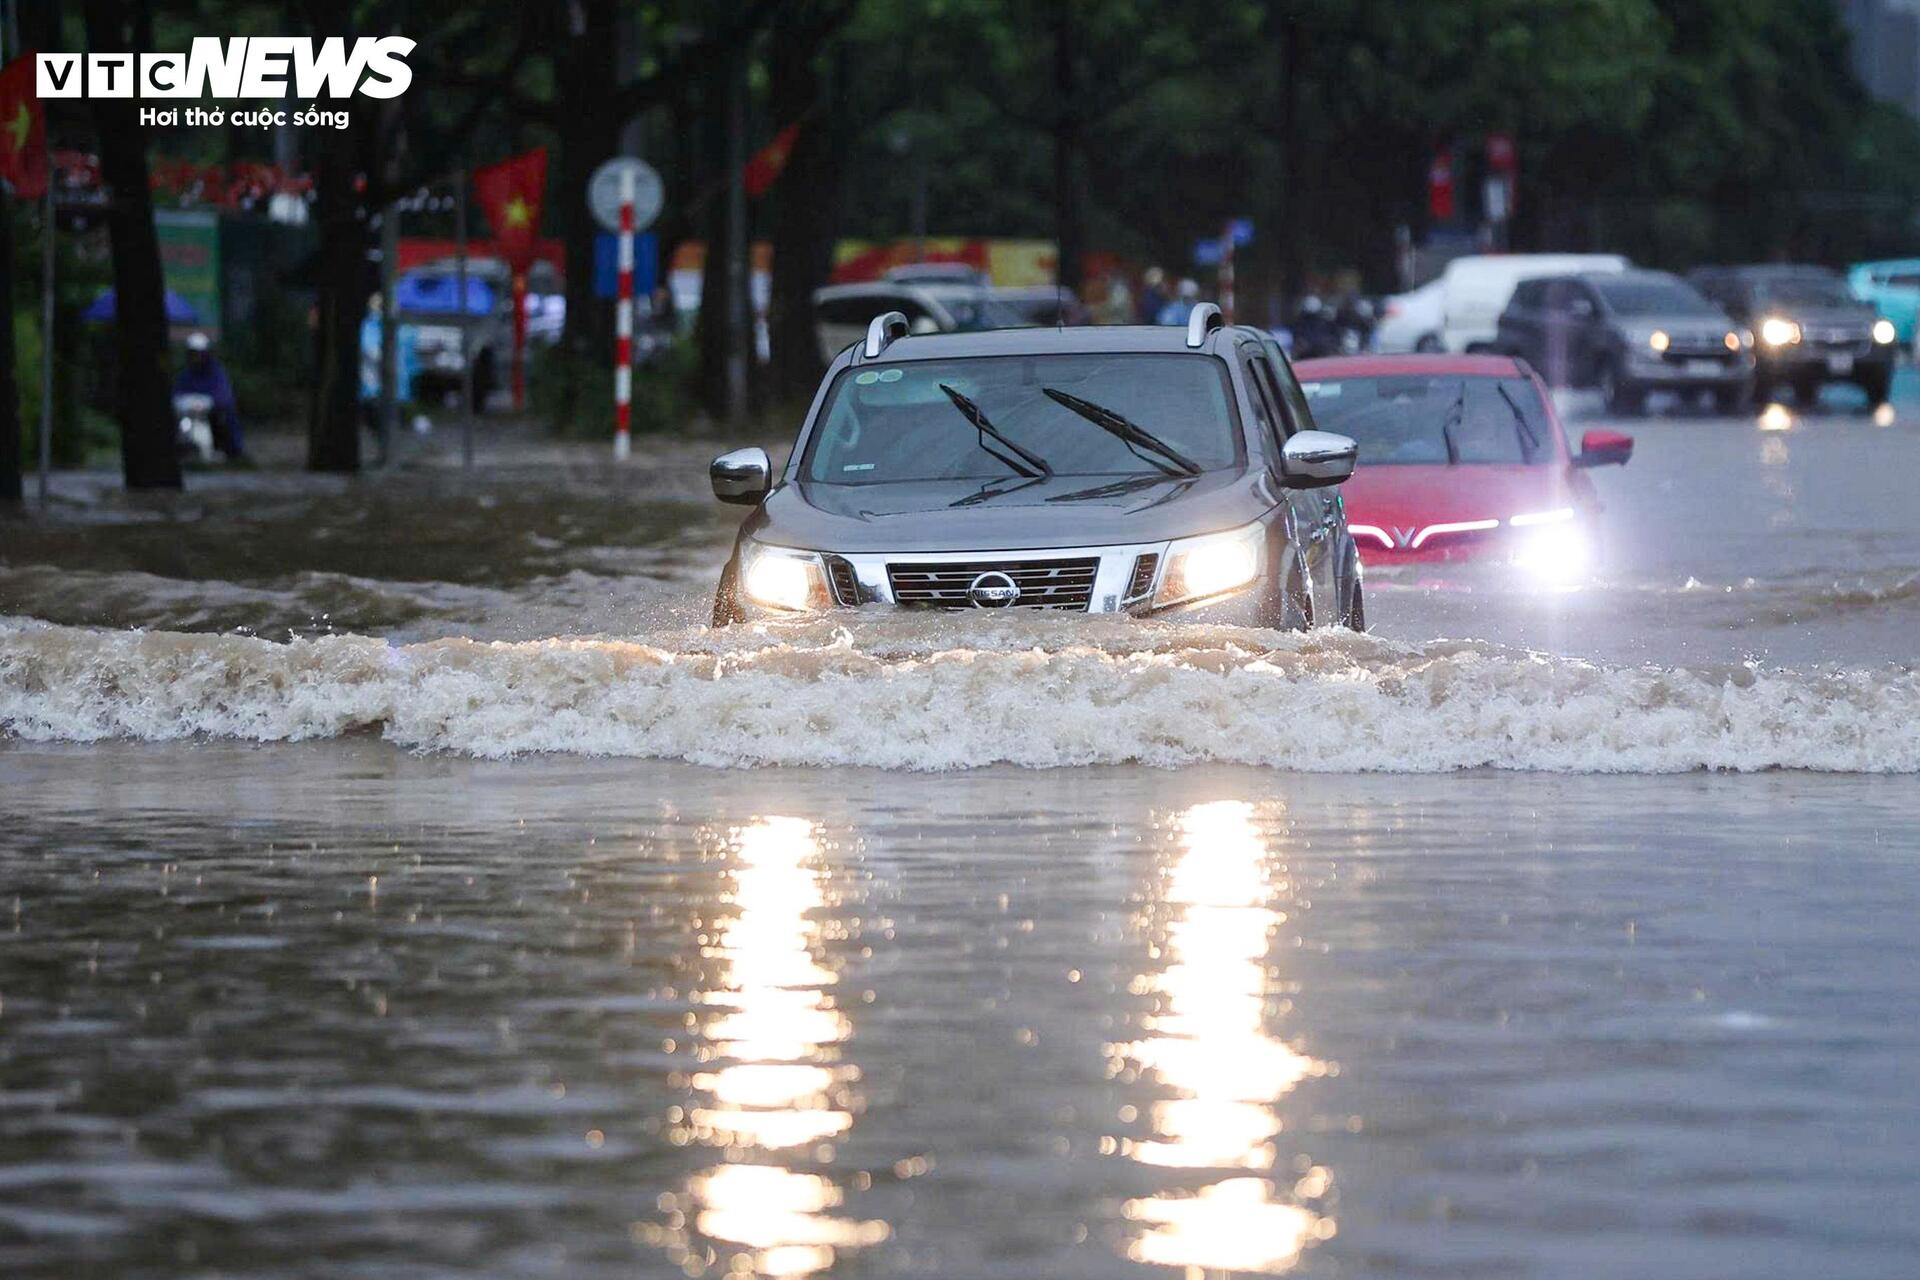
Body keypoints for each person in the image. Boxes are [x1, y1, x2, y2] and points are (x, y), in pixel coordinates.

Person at [173, 332, 246, 460]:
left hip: (213, 413)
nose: (195, 357)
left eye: (198, 354)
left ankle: (231, 450)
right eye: (192, 354)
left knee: (225, 418)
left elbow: (224, 397)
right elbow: (177, 393)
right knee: (181, 423)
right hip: (189, 413)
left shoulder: (216, 373)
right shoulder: (186, 374)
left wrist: (208, 403)